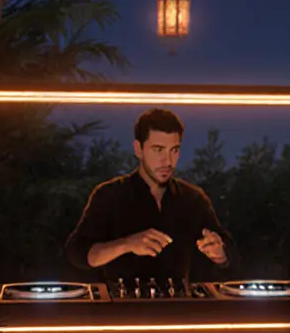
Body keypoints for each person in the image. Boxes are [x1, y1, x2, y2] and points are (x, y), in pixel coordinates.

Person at [65, 108, 233, 285]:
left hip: (180, 309)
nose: (167, 161)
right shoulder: (109, 195)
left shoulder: (194, 199)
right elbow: (78, 253)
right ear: (138, 148)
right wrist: (127, 244)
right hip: (120, 310)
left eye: (174, 150)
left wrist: (219, 252)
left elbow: (229, 251)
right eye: (158, 150)